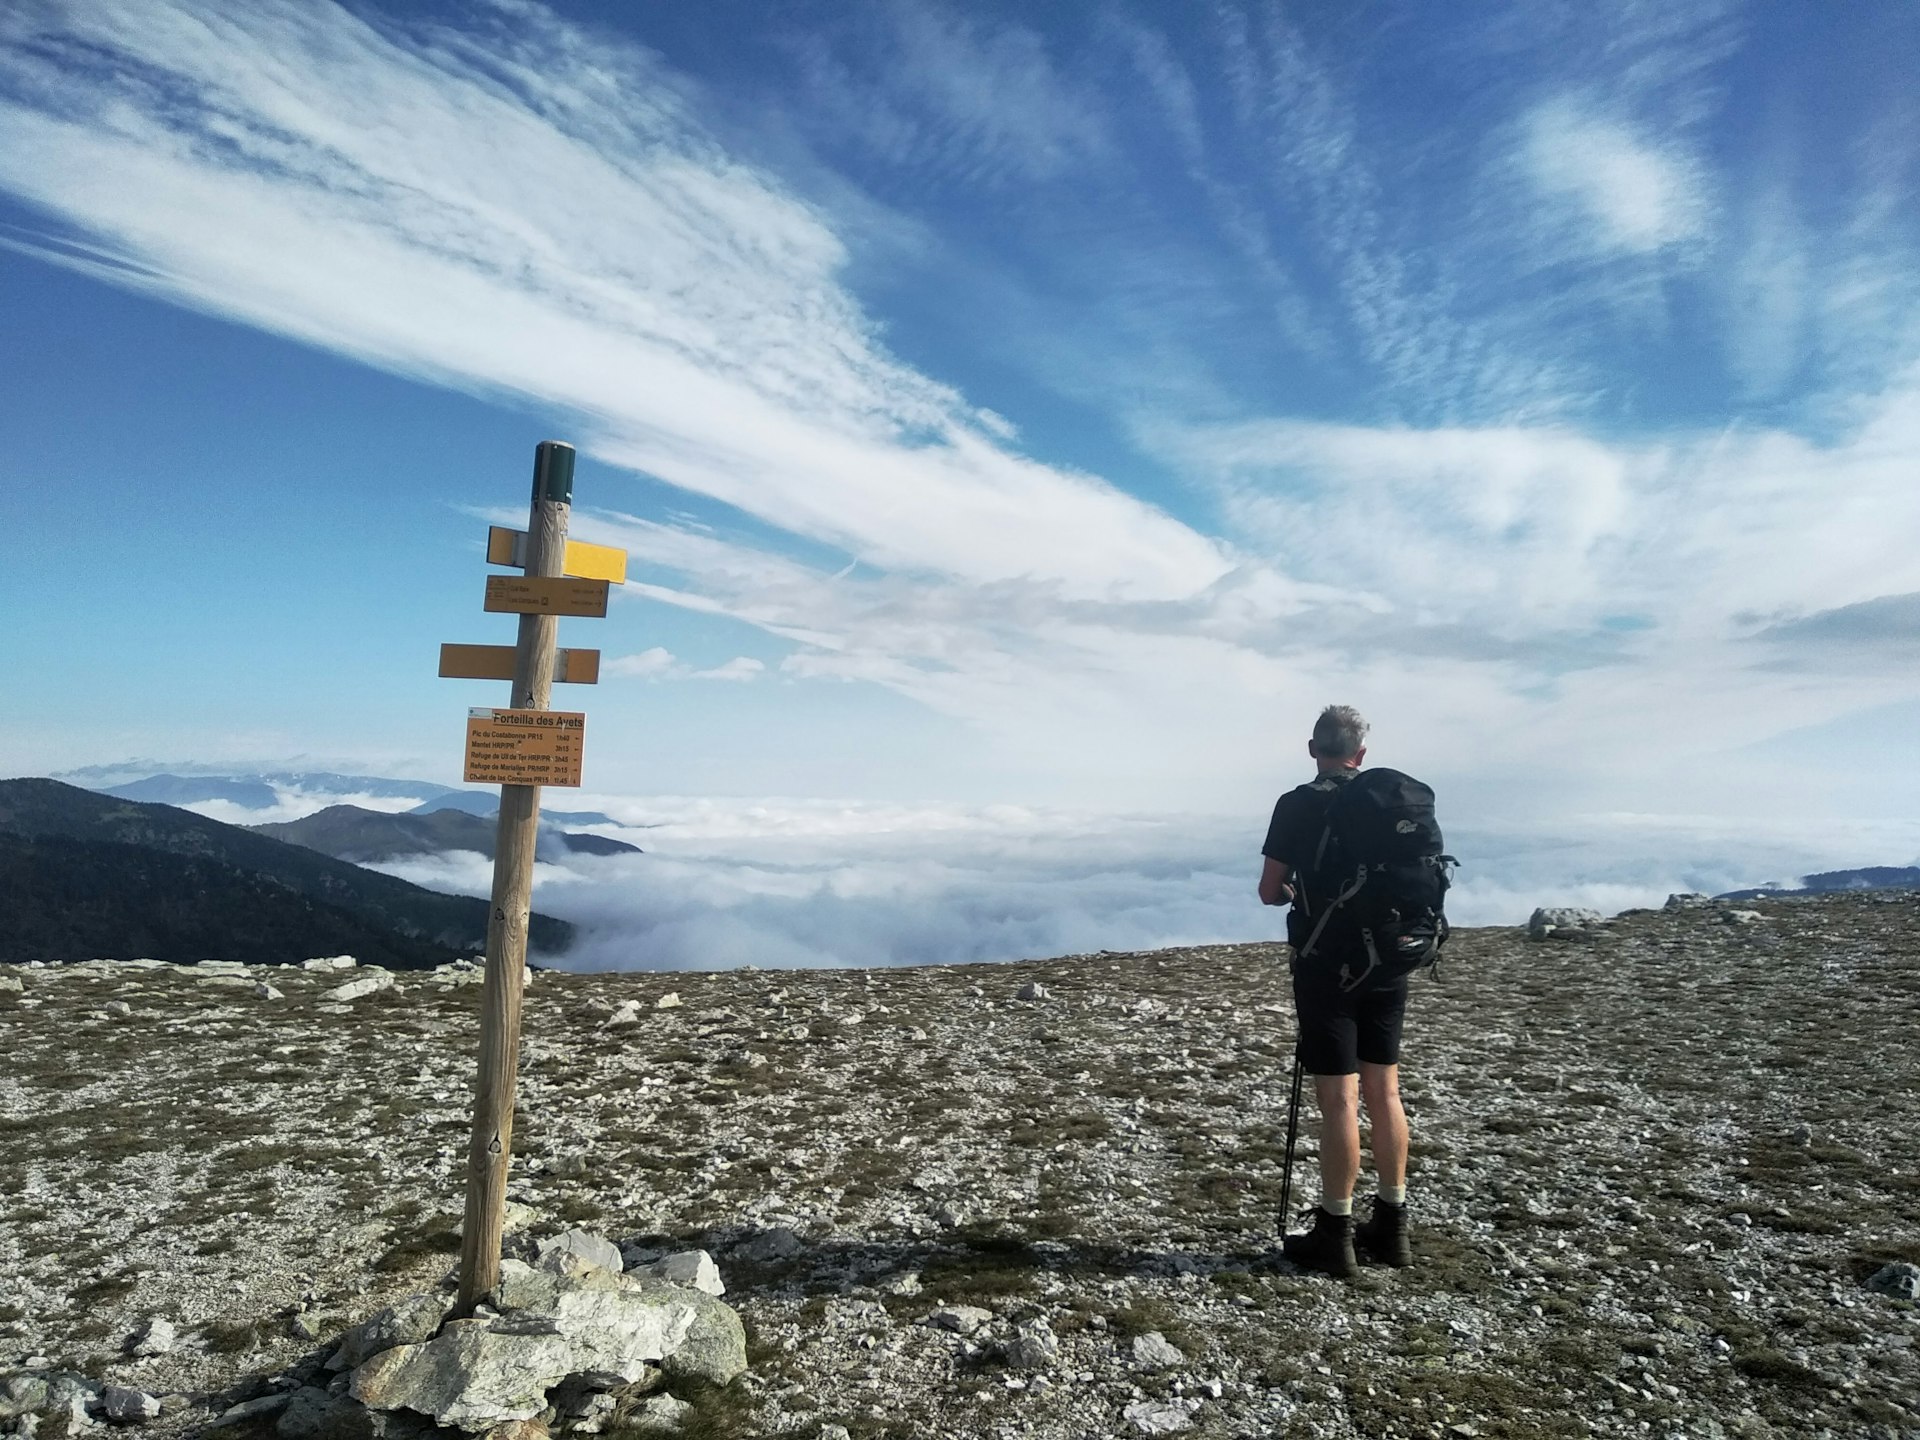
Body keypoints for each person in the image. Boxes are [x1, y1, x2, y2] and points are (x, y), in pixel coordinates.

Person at [1258, 705, 1415, 1276]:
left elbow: (1269, 890)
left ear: (1312, 749)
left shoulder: (1297, 804)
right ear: (1361, 754)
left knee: (1340, 1099)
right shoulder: (1391, 804)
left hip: (1326, 966)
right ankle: (1392, 1227)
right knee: (1385, 1092)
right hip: (1389, 963)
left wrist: (1299, 892)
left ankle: (1336, 1232)